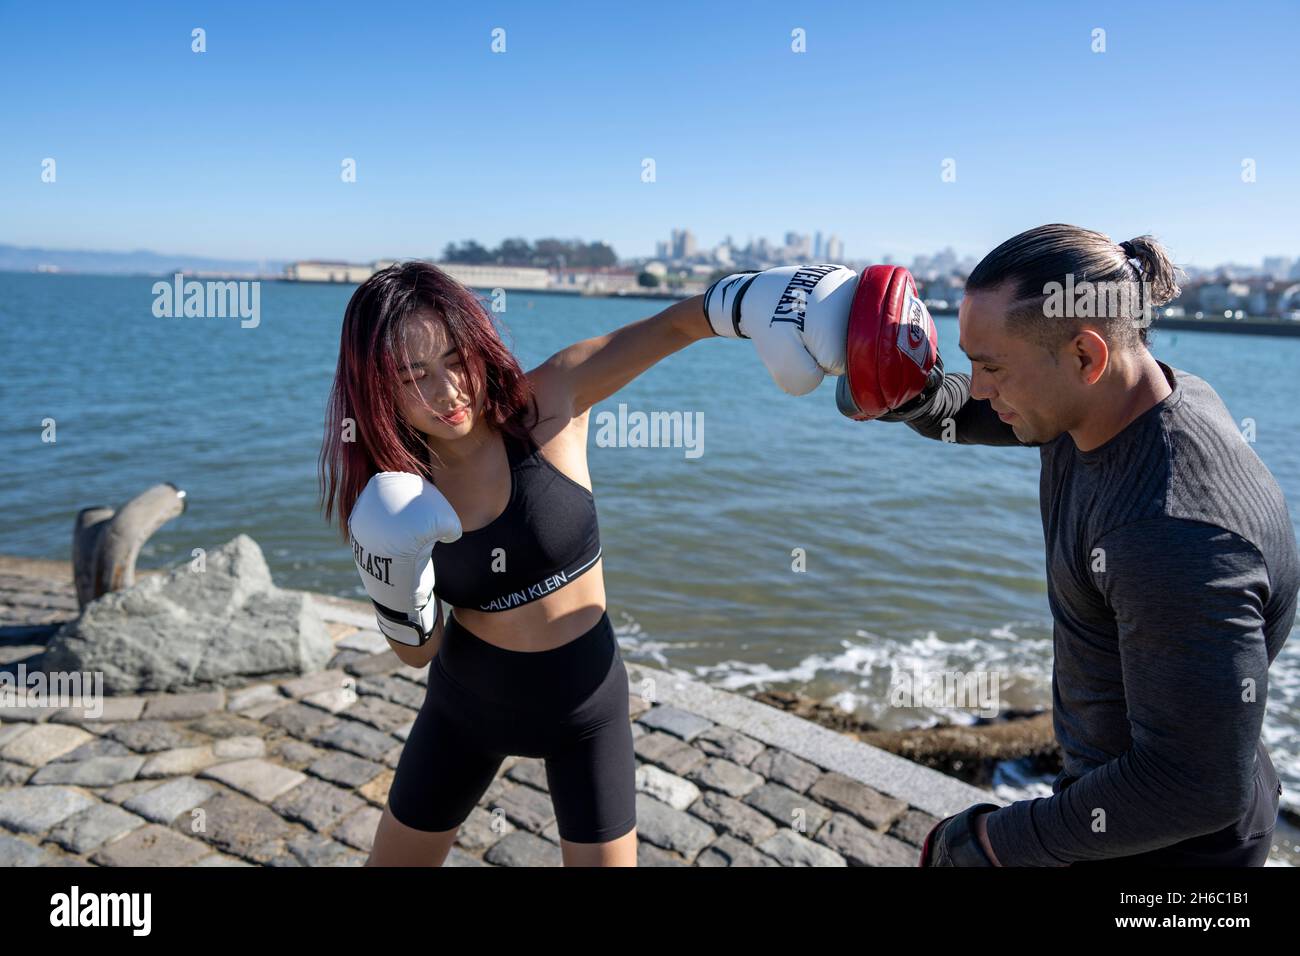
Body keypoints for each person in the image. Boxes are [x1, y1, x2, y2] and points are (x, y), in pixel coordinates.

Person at [712, 225, 1296, 865]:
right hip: (1119, 799)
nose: (980, 385)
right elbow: (965, 411)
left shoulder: (1172, 531)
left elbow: (1194, 786)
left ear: (1086, 356)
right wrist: (897, 377)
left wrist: (991, 843)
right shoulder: (1119, 401)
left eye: (992, 367)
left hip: (1171, 851)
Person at [318, 261, 715, 866]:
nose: (447, 392)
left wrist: (759, 301)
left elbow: (674, 327)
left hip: (588, 709)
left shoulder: (551, 402)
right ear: (377, 388)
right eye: (412, 375)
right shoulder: (394, 494)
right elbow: (417, 653)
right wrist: (394, 585)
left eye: (455, 359)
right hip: (466, 708)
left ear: (477, 345)